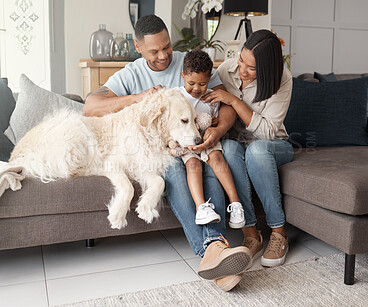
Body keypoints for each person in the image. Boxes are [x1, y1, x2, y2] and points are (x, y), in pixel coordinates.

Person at [83, 15, 251, 292]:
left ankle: (216, 251)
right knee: (173, 168)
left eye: (167, 47)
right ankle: (215, 248)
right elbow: (90, 106)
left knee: (210, 162)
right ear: (138, 47)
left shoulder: (190, 64)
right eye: (154, 51)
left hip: (200, 141)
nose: (163, 56)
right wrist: (139, 98)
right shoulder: (132, 73)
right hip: (164, 151)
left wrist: (217, 130)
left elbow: (226, 103)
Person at [202, 29, 294, 270]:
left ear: (267, 68)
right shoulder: (226, 70)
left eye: (251, 68)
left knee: (257, 151)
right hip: (238, 143)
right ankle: (251, 234)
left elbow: (266, 132)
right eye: (241, 60)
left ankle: (279, 232)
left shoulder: (282, 79)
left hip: (274, 145)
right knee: (229, 150)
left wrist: (234, 101)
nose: (242, 69)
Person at [175, 50, 245, 228]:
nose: (197, 89)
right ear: (182, 76)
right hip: (187, 144)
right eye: (191, 83)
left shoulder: (212, 97)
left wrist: (214, 123)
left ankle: (235, 204)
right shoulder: (176, 97)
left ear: (210, 78)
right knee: (193, 165)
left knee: (217, 159)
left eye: (202, 83)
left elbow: (214, 120)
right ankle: (201, 208)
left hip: (207, 141)